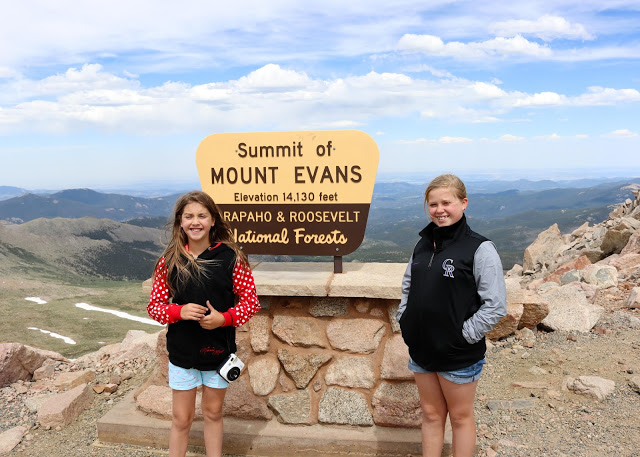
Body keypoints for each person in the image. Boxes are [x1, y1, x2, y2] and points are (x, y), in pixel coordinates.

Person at [397, 174, 506, 457]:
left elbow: (495, 305)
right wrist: (405, 320)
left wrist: (463, 335)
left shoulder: (480, 248)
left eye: (447, 202)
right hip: (422, 348)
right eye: (433, 204)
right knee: (431, 414)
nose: (439, 210)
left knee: (459, 417)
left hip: (458, 353)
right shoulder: (423, 244)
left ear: (463, 203)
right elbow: (408, 286)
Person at [147, 191, 260, 457]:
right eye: (189, 216)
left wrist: (225, 319)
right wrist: (178, 311)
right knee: (181, 418)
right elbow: (155, 307)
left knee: (213, 412)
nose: (195, 222)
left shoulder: (231, 258)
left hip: (218, 352)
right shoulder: (169, 260)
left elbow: (251, 302)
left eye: (202, 216)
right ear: (180, 221)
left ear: (212, 221)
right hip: (182, 352)